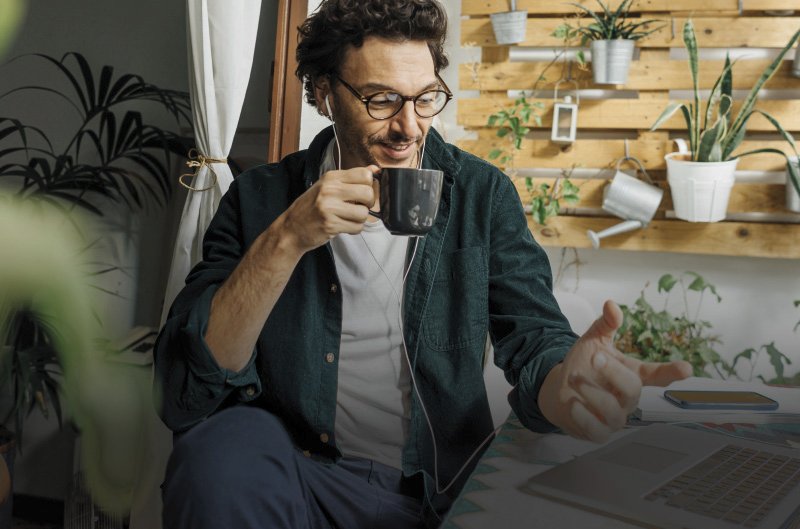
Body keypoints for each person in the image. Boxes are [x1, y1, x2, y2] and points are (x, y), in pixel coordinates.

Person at [154, 0, 692, 527]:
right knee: (216, 451)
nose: (408, 127)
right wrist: (288, 239)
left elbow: (533, 340)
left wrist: (563, 383)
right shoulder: (259, 200)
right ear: (324, 94)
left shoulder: (481, 193)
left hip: (433, 487)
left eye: (426, 98)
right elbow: (187, 390)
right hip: (296, 477)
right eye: (382, 99)